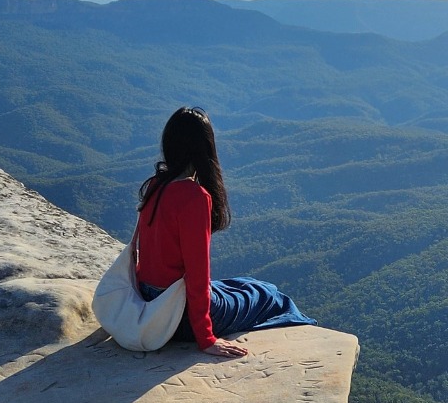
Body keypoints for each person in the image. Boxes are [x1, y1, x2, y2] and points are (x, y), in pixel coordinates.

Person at [135, 107, 316, 358]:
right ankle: (308, 337)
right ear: (205, 148)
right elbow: (198, 277)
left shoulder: (156, 185)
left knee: (248, 284)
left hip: (148, 302)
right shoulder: (194, 198)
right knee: (269, 295)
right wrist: (207, 339)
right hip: (179, 316)